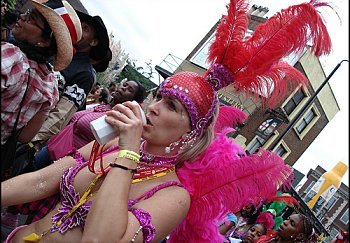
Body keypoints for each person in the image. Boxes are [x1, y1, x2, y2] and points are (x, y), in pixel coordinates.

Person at [1, 0, 332, 241]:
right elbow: (42, 182)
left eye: (171, 105)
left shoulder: (174, 196)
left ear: (191, 132)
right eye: (158, 96)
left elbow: (99, 239)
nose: (154, 106)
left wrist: (128, 155)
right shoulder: (114, 144)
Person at [1, 0, 81, 146]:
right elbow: (25, 136)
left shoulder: (10, 56)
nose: (22, 16)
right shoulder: (51, 87)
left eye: (32, 18)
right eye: (28, 12)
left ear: (44, 41)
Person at [30, 9, 111, 150]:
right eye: (79, 25)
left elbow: (61, 115)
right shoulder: (55, 48)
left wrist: (28, 141)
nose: (79, 29)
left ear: (94, 41)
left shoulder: (85, 73)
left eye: (85, 29)